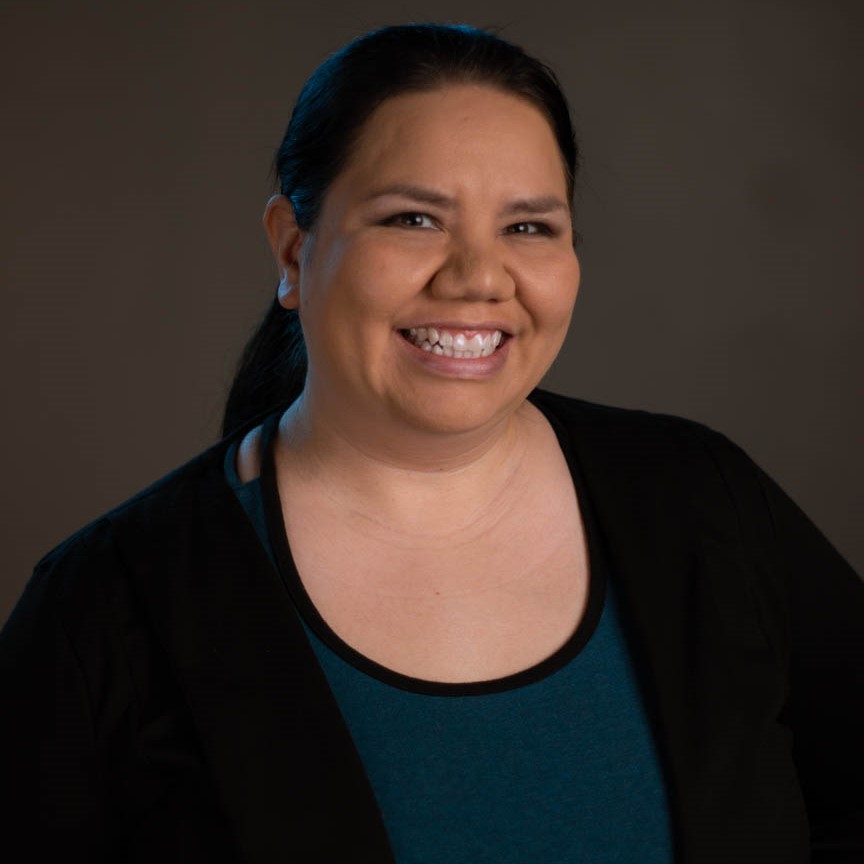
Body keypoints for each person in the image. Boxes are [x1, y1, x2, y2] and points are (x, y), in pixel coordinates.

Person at [1, 22, 862, 864]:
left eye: (528, 227)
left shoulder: (706, 503)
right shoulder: (109, 605)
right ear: (294, 252)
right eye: (414, 219)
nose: (479, 277)